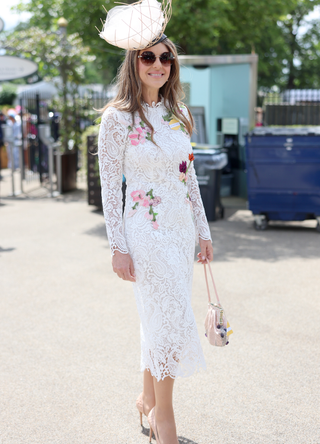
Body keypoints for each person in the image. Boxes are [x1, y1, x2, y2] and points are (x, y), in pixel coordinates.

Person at [98, 2, 213, 443]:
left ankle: (147, 400)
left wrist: (203, 232)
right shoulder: (117, 119)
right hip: (144, 234)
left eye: (166, 58)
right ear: (134, 61)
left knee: (160, 316)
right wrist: (117, 245)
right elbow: (111, 187)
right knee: (167, 317)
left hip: (180, 233)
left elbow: (190, 179)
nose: (159, 65)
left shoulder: (176, 116)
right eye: (149, 56)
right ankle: (164, 418)